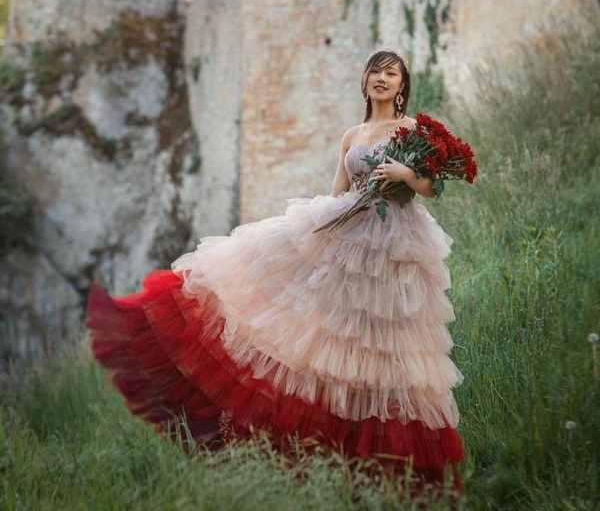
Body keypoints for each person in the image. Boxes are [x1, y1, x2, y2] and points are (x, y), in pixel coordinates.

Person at [86, 47, 466, 498]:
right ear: (364, 82)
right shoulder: (352, 135)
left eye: (391, 74)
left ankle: (394, 474)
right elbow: (336, 193)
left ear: (403, 86)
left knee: (385, 355)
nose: (382, 79)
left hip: (393, 249)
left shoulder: (409, 130)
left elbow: (433, 186)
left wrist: (406, 172)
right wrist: (312, 235)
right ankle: (330, 458)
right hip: (348, 240)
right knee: (327, 346)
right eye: (375, 73)